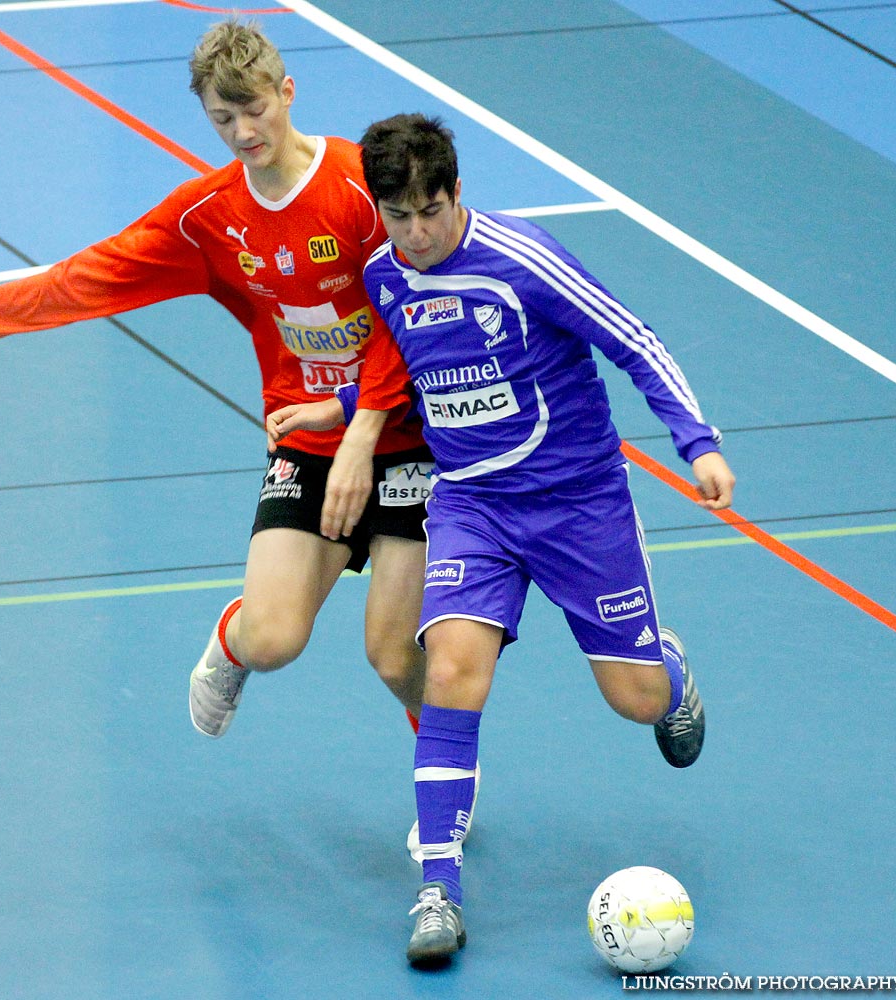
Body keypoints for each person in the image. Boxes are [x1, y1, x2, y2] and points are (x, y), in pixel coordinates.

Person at [0, 22, 456, 840]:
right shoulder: (210, 218)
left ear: (287, 90)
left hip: (403, 439)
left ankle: (442, 793)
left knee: (397, 655)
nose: (244, 135)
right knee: (271, 640)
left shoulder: (359, 189)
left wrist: (359, 428)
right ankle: (228, 646)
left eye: (254, 111)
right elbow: (96, 275)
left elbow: (416, 324)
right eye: (223, 122)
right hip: (306, 445)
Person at [266, 113, 736, 966]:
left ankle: (669, 671)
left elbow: (634, 340)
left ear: (456, 192)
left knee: (634, 700)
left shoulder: (526, 260)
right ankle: (438, 887)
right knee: (449, 667)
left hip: (578, 502)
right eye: (398, 217)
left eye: (430, 212)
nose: (416, 234)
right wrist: (339, 415)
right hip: (473, 507)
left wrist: (696, 441)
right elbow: (415, 367)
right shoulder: (385, 274)